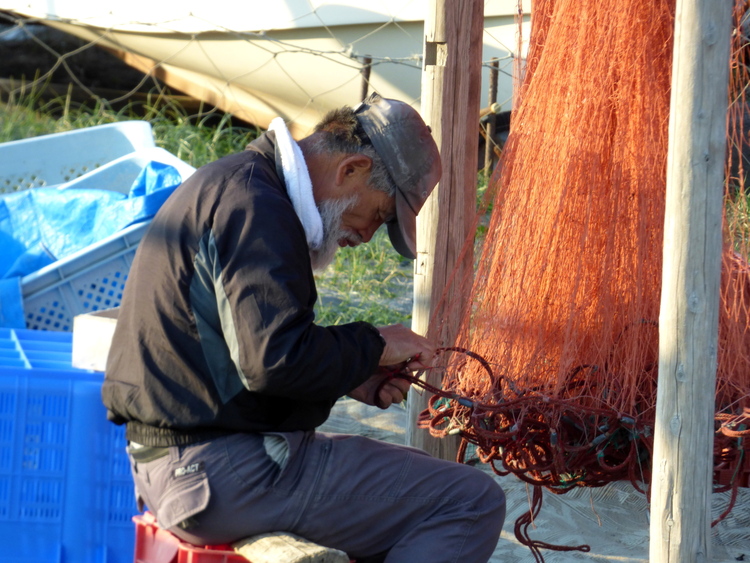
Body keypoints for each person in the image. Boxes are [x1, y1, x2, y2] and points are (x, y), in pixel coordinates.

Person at [102, 93, 506, 563]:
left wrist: (351, 373)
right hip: (214, 472)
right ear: (351, 169)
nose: (368, 235)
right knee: (469, 501)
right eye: (379, 214)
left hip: (181, 465)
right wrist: (373, 344)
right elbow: (272, 360)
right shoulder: (256, 207)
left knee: (412, 484)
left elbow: (238, 363)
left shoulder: (244, 185)